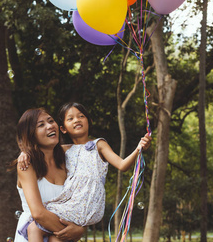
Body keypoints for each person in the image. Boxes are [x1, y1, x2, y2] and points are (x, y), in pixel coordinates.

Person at [19, 102, 152, 242]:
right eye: (70, 118)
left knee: (34, 228)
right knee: (53, 239)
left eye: (81, 116)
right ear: (63, 128)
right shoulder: (65, 151)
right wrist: (24, 152)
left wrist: (139, 149)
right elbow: (40, 149)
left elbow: (122, 164)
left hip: (86, 203)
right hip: (72, 204)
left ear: (89, 121)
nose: (77, 120)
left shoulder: (98, 145)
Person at [11, 108, 85, 242]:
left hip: (60, 237)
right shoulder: (27, 164)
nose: (50, 126)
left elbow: (96, 147)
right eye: (41, 125)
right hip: (32, 235)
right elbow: (38, 214)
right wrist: (73, 232)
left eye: (51, 121)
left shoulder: (70, 157)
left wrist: (80, 228)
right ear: (31, 134)